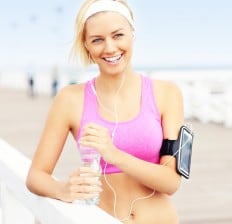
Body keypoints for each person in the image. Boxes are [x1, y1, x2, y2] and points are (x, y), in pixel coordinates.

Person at [26, 0, 184, 223]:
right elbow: (36, 176)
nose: (109, 48)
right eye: (97, 40)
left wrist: (113, 154)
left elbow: (171, 182)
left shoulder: (166, 94)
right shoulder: (69, 99)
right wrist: (63, 189)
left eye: (118, 35)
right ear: (87, 46)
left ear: (132, 33)